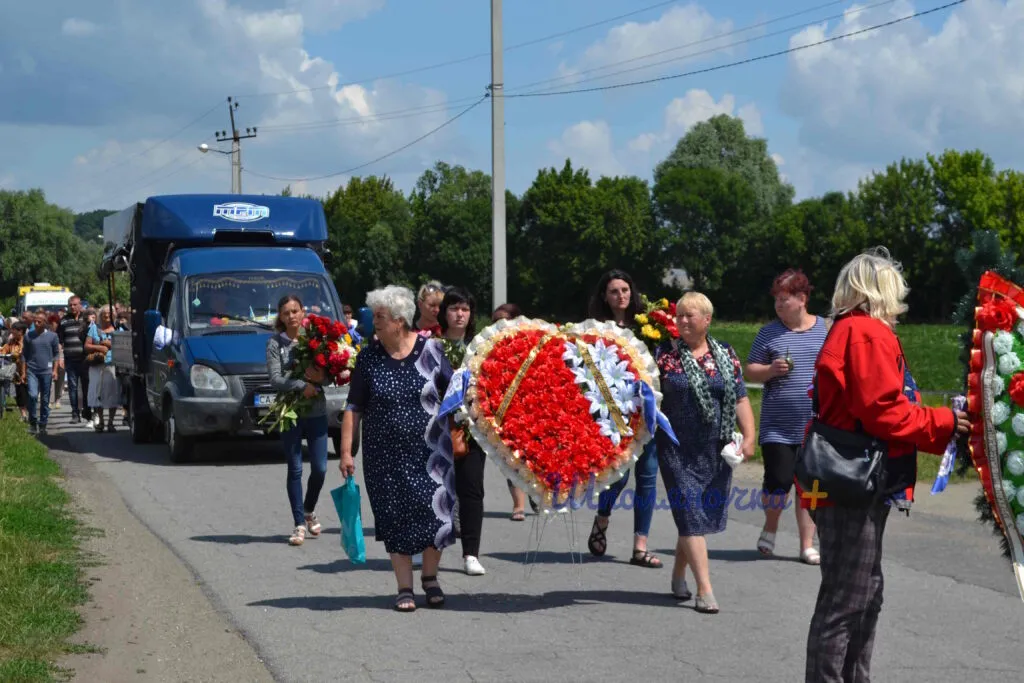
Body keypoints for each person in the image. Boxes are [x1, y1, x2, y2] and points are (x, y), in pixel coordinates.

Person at [803, 248, 970, 682]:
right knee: (848, 600)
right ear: (880, 290)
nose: (901, 302)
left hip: (843, 478)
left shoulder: (849, 329)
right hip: (851, 481)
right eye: (896, 291)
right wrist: (947, 422)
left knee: (861, 595)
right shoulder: (865, 333)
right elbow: (885, 412)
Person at [340, 285, 457, 612]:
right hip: (384, 457)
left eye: (380, 316)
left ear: (399, 320)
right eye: (374, 315)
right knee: (395, 518)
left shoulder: (431, 350)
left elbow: (455, 392)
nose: (373, 321)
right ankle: (404, 586)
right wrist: (347, 451)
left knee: (439, 516)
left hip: (432, 454)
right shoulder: (369, 357)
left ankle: (430, 578)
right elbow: (353, 407)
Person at [655, 292, 757, 613]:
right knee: (690, 513)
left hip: (716, 447)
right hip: (676, 448)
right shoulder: (663, 354)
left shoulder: (725, 353)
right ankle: (705, 589)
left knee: (697, 516)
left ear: (707, 320)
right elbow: (649, 396)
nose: (683, 321)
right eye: (680, 315)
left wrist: (750, 436)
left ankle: (677, 574)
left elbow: (740, 397)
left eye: (691, 316)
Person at [744, 269, 827, 564]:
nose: (779, 305)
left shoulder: (826, 329)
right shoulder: (769, 333)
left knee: (810, 486)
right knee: (778, 481)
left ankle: (807, 544)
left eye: (785, 299)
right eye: (776, 300)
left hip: (817, 426)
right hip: (777, 426)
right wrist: (769, 371)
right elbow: (749, 369)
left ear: (802, 299)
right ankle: (771, 525)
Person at [585, 269, 663, 568]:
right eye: (614, 291)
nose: (621, 295)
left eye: (625, 290)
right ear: (605, 295)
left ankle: (640, 547)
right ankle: (602, 517)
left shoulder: (650, 327)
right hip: (614, 415)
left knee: (648, 476)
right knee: (618, 476)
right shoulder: (595, 330)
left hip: (649, 410)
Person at [266, 294, 332, 547]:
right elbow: (274, 378)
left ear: (303, 312)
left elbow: (329, 376)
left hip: (316, 411)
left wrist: (320, 377)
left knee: (321, 468)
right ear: (280, 317)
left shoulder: (316, 340)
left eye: (295, 311)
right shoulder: (275, 344)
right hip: (290, 412)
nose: (291, 316)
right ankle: (298, 524)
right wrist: (300, 385)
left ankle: (309, 508)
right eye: (286, 313)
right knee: (295, 468)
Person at [439, 287, 487, 576]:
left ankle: (471, 553)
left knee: (471, 491)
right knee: (436, 490)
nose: (460, 314)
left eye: (465, 309)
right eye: (454, 308)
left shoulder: (480, 349)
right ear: (444, 312)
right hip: (439, 429)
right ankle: (430, 547)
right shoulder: (431, 346)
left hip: (472, 431)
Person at [491, 303, 538, 519]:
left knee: (533, 457)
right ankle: (518, 505)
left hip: (530, 409)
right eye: (495, 321)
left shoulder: (530, 343)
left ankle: (535, 492)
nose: (498, 325)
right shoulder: (489, 345)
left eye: (503, 320)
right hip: (504, 411)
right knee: (511, 458)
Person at [21, 310, 60, 435]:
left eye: (39, 321)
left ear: (45, 323)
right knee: (32, 395)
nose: (36, 323)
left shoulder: (52, 336)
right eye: (35, 320)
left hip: (46, 371)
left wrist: (55, 370)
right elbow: (24, 355)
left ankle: (43, 423)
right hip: (32, 370)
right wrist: (23, 372)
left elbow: (56, 354)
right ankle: (33, 422)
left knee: (45, 398)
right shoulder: (28, 336)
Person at [84, 307, 121, 433]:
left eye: (109, 315)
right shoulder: (94, 328)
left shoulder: (118, 328)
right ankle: (101, 421)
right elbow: (87, 346)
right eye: (104, 315)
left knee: (112, 393)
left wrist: (112, 345)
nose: (106, 317)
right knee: (97, 392)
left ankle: (111, 422)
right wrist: (100, 347)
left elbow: (125, 345)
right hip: (97, 364)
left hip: (113, 364)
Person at [58, 295, 89, 424]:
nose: (72, 307)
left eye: (75, 304)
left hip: (85, 359)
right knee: (72, 387)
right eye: (70, 305)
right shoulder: (64, 321)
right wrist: (60, 357)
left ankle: (87, 411)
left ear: (80, 304)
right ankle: (75, 413)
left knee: (87, 386)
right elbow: (60, 341)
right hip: (70, 359)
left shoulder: (86, 319)